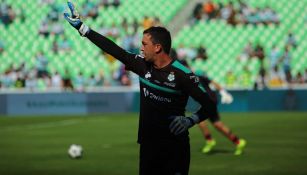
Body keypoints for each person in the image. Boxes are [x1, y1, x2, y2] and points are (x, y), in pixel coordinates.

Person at [64, 2, 217, 175]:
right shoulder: (142, 65)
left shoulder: (183, 74)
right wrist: (83, 29)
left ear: (158, 47)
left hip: (175, 148)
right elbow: (115, 50)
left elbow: (211, 104)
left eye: (144, 44)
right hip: (148, 146)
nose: (141, 48)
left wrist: (191, 120)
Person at [196, 74, 246, 155]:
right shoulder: (188, 77)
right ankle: (238, 142)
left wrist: (223, 93)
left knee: (199, 119)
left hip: (209, 100)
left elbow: (213, 82)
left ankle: (209, 141)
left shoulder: (197, 75)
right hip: (207, 100)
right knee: (217, 124)